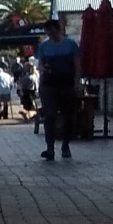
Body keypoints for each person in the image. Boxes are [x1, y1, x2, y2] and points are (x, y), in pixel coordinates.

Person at [35, 18, 79, 160]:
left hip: (67, 84)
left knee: (68, 117)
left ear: (58, 30)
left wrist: (77, 83)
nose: (51, 36)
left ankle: (65, 145)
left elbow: (78, 65)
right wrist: (44, 69)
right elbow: (39, 64)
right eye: (48, 33)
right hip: (49, 85)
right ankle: (50, 148)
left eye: (53, 32)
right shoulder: (44, 46)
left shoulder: (70, 45)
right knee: (50, 117)